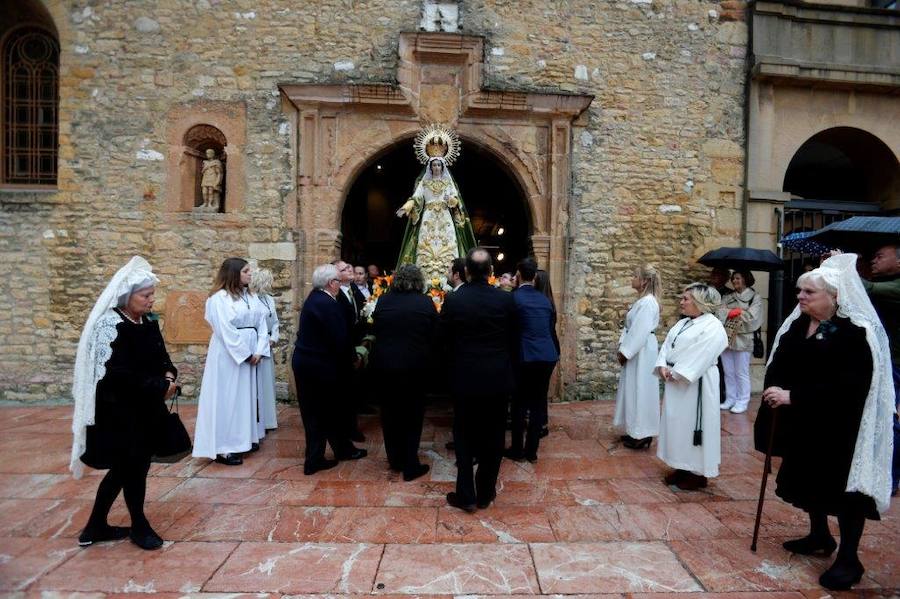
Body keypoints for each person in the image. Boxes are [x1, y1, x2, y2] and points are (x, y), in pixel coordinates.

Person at [761, 253, 893, 591]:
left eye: (808, 293)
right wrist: (776, 386)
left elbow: (851, 385)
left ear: (834, 296)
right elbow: (780, 360)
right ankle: (819, 535)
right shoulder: (796, 325)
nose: (800, 297)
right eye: (799, 291)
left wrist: (796, 396)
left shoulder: (854, 332)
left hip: (839, 427)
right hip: (804, 424)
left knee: (843, 492)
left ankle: (849, 558)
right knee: (807, 481)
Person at [70, 256, 177, 550]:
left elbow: (161, 356)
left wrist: (169, 373)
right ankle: (139, 527)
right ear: (127, 296)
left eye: (152, 294)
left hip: (145, 408)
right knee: (131, 468)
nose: (151, 300)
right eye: (146, 295)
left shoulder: (146, 322)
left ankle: (95, 526)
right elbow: (115, 374)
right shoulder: (111, 326)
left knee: (126, 468)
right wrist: (160, 386)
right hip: (119, 411)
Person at [441, 247, 517, 511]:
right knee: (494, 436)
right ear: (491, 272)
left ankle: (466, 494)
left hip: (464, 378)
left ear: (467, 272)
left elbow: (444, 341)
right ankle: (485, 492)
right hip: (497, 378)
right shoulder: (506, 300)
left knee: (463, 434)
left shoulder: (453, 301)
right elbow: (514, 340)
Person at [193, 258, 269, 466]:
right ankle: (224, 447)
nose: (250, 274)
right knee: (228, 398)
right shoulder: (219, 299)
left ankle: (245, 439)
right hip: (229, 355)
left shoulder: (250, 296)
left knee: (246, 398)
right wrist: (245, 353)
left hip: (252, 350)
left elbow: (262, 323)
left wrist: (260, 350)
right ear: (234, 274)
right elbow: (225, 329)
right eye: (246, 271)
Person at [293, 264, 367, 475]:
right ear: (330, 283)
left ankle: (339, 449)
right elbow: (340, 338)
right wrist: (353, 359)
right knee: (323, 412)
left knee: (322, 412)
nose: (340, 283)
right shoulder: (327, 303)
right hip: (318, 367)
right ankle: (315, 460)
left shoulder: (316, 298)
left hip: (309, 363)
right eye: (337, 280)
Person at [655, 283, 728, 491]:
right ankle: (680, 466)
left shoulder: (713, 326)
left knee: (695, 425)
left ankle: (697, 472)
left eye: (686, 298)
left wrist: (677, 372)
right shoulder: (683, 323)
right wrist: (662, 365)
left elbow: (702, 354)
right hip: (676, 383)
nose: (681, 302)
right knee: (678, 425)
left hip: (697, 384)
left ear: (699, 302)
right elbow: (668, 345)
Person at [370, 264, 437, 481]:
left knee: (389, 413)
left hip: (386, 365)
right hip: (415, 367)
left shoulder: (384, 300)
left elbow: (377, 327)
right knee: (413, 414)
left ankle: (395, 459)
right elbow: (434, 332)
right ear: (419, 281)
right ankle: (410, 464)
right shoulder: (424, 302)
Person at [505, 257, 558, 462]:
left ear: (518, 276)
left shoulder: (513, 298)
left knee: (519, 404)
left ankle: (517, 450)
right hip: (547, 356)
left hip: (525, 356)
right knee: (537, 403)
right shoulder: (544, 300)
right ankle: (532, 451)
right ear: (535, 276)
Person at [396, 156, 477, 282]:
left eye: (439, 165)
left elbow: (456, 200)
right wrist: (406, 208)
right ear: (430, 167)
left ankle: (450, 276)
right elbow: (416, 198)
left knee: (448, 242)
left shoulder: (448, 183)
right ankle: (425, 278)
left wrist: (450, 199)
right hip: (428, 217)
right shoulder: (424, 183)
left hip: (445, 217)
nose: (437, 167)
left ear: (443, 167)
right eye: (434, 165)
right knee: (426, 243)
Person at [860, 244, 900, 497]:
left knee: (891, 419)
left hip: (895, 365)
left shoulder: (894, 286)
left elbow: (867, 289)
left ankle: (891, 478)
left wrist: (843, 268)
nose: (874, 260)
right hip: (883, 362)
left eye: (880, 256)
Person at [614, 264, 662, 449]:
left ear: (644, 281)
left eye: (635, 276)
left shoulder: (648, 302)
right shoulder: (643, 301)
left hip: (641, 350)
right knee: (635, 388)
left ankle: (643, 432)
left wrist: (625, 352)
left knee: (641, 388)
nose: (632, 279)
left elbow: (640, 330)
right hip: (639, 349)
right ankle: (636, 430)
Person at [718, 270, 764, 414]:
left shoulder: (755, 298)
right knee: (728, 371)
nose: (734, 281)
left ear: (745, 279)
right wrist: (733, 312)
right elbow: (719, 312)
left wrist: (733, 312)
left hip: (744, 338)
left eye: (738, 278)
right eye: (733, 278)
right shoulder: (727, 296)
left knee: (741, 371)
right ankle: (731, 398)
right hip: (727, 336)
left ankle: (743, 400)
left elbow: (753, 317)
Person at [250, 267, 280, 433]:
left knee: (268, 382)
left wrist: (273, 338)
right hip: (257, 344)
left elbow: (275, 321)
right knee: (258, 383)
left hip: (268, 343)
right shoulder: (252, 299)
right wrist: (261, 342)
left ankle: (269, 419)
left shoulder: (269, 299)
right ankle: (258, 419)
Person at [533, 269, 559, 438]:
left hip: (543, 351)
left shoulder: (542, 303)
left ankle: (540, 423)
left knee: (538, 391)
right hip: (551, 350)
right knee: (540, 390)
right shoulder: (549, 301)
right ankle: (541, 422)